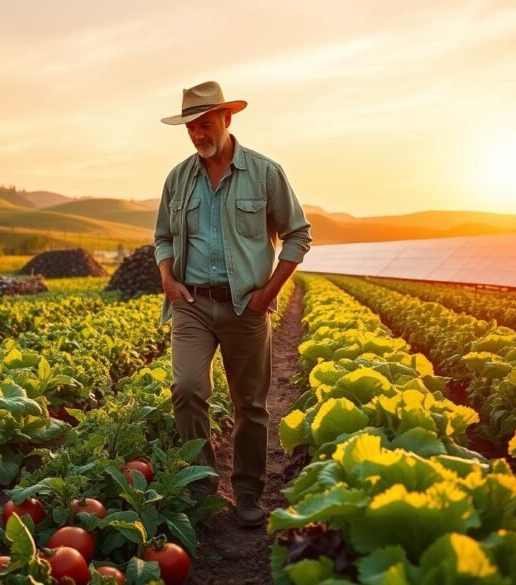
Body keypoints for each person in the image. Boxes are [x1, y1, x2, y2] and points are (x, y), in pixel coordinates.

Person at [153, 81, 312, 528]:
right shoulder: (177, 178)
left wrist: (271, 291)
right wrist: (167, 278)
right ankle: (203, 487)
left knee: (251, 404)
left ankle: (247, 492)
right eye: (191, 127)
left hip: (247, 306)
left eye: (205, 124)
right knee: (187, 388)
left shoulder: (265, 173)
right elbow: (163, 236)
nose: (198, 134)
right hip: (192, 304)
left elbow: (298, 233)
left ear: (227, 119)